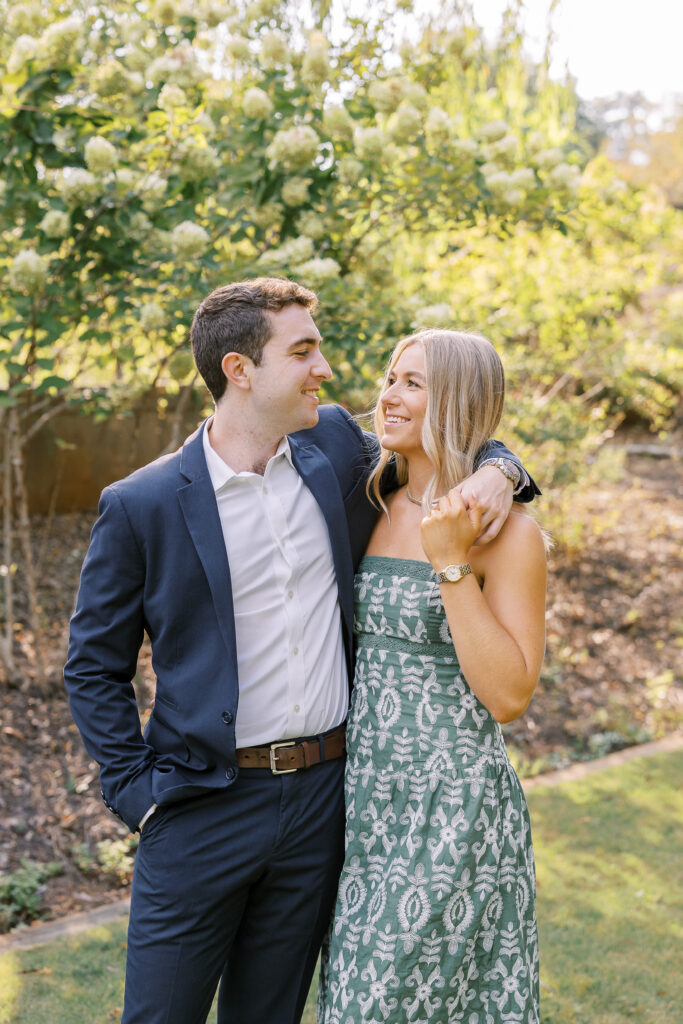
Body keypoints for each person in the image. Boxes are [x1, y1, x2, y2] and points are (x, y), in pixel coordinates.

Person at [64, 279, 539, 1024]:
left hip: (324, 799)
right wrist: (136, 793)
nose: (326, 369)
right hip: (200, 805)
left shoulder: (336, 455)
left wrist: (497, 470)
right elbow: (93, 664)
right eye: (304, 351)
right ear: (239, 369)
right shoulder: (143, 502)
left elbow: (457, 426)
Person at [318, 329, 546, 1024]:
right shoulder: (369, 499)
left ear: (458, 401)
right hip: (363, 801)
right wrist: (497, 468)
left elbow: (508, 695)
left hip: (452, 806)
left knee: (382, 1006)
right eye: (391, 378)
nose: (387, 395)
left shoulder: (507, 536)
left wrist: (449, 562)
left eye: (413, 384)